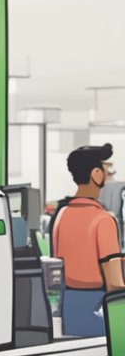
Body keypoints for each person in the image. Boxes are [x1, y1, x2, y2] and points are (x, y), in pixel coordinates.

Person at [51, 143, 124, 336]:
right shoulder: (103, 220)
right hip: (98, 311)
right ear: (95, 174)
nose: (107, 176)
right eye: (105, 170)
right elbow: (115, 284)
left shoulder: (61, 215)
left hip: (68, 309)